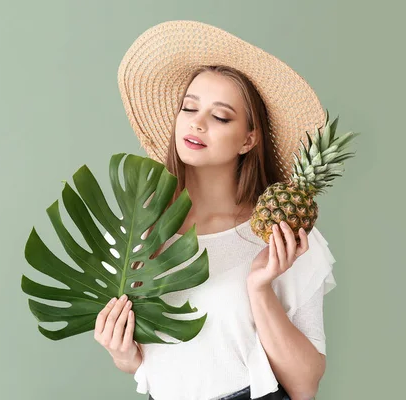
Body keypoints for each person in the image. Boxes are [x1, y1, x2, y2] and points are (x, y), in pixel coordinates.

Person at [94, 20, 337, 400]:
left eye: (220, 116)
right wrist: (123, 353)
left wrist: (259, 287)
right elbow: (150, 360)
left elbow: (305, 385)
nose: (197, 122)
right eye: (189, 107)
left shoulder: (280, 234)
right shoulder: (135, 231)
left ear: (248, 139)